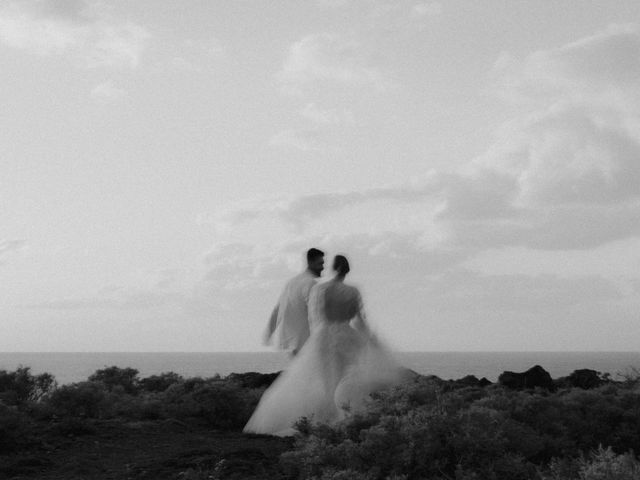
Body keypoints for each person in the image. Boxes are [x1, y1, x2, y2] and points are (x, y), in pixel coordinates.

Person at [243, 254, 405, 437]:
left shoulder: (321, 289)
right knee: (346, 377)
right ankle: (343, 416)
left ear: (333, 269)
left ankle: (328, 417)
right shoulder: (353, 291)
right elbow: (360, 321)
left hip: (324, 337)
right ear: (347, 271)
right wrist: (371, 339)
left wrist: (315, 338)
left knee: (327, 380)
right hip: (348, 338)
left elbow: (316, 318)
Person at [263, 248, 324, 356]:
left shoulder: (292, 282)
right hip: (306, 340)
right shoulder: (311, 284)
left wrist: (270, 331)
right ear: (310, 262)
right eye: (320, 263)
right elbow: (316, 313)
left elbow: (278, 308)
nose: (323, 267)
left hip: (291, 341)